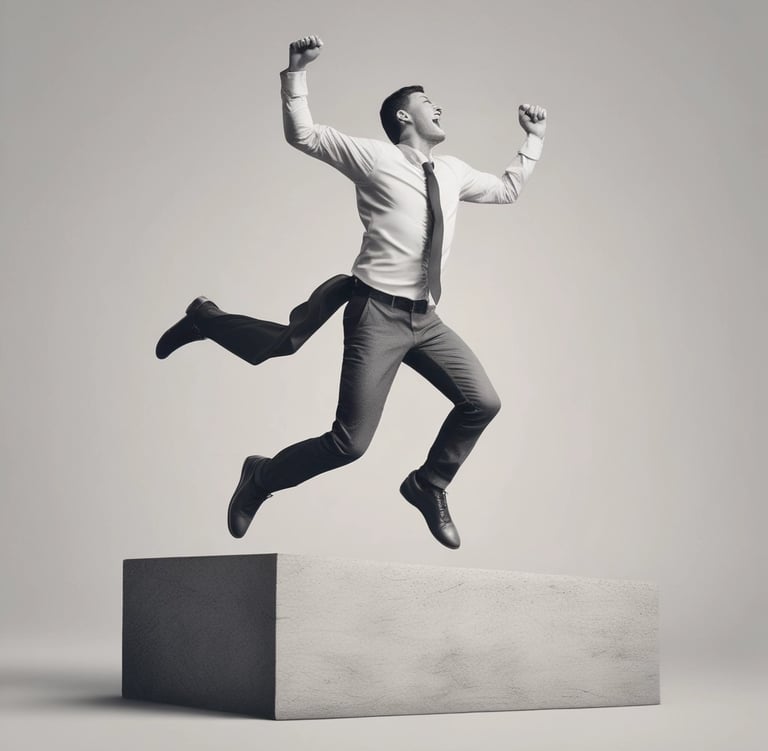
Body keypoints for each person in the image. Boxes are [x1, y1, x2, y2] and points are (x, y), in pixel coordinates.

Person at [156, 35, 546, 549]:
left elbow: (508, 189)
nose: (439, 108)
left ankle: (428, 484)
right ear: (404, 118)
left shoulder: (452, 173)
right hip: (375, 314)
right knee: (349, 443)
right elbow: (305, 136)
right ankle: (261, 477)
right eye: (428, 103)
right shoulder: (375, 159)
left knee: (483, 402)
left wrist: (533, 138)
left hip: (426, 320)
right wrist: (296, 73)